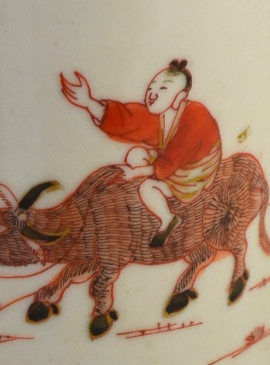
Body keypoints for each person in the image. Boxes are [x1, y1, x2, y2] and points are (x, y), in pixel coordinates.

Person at [60, 60, 222, 247]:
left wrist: (137, 172)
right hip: (172, 161)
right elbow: (129, 121)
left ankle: (168, 220)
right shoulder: (163, 115)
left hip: (192, 172)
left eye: (163, 89)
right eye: (151, 87)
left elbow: (170, 163)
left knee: (147, 189)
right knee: (135, 155)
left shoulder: (195, 117)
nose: (152, 94)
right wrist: (89, 103)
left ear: (179, 97)